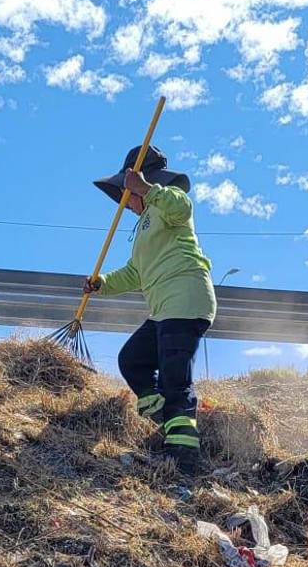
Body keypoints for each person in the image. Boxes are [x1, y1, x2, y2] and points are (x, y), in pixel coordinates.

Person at [85, 146, 217, 474]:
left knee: (175, 378)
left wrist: (146, 189)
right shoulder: (143, 229)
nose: (125, 203)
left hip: (185, 298)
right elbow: (134, 273)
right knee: (132, 360)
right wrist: (101, 283)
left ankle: (183, 456)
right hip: (163, 309)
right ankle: (164, 414)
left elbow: (182, 208)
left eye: (126, 194)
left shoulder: (168, 201)